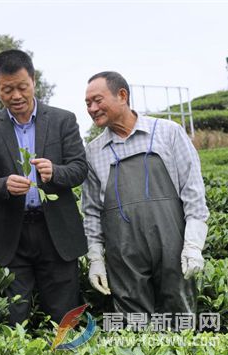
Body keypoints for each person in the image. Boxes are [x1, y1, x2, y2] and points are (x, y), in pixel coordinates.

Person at [83, 71, 209, 324]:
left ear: (122, 95)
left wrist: (194, 245)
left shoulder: (168, 133)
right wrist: (95, 258)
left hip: (173, 252)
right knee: (134, 330)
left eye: (97, 100)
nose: (92, 108)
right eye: (87, 104)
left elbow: (193, 196)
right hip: (124, 259)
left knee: (179, 326)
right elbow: (92, 212)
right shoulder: (93, 152)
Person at [0, 49, 88, 325]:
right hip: (13, 236)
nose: (16, 96)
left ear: (33, 81)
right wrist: (4, 185)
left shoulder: (63, 120)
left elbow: (80, 169)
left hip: (57, 233)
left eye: (22, 87)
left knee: (64, 319)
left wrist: (55, 172)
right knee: (14, 319)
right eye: (7, 89)